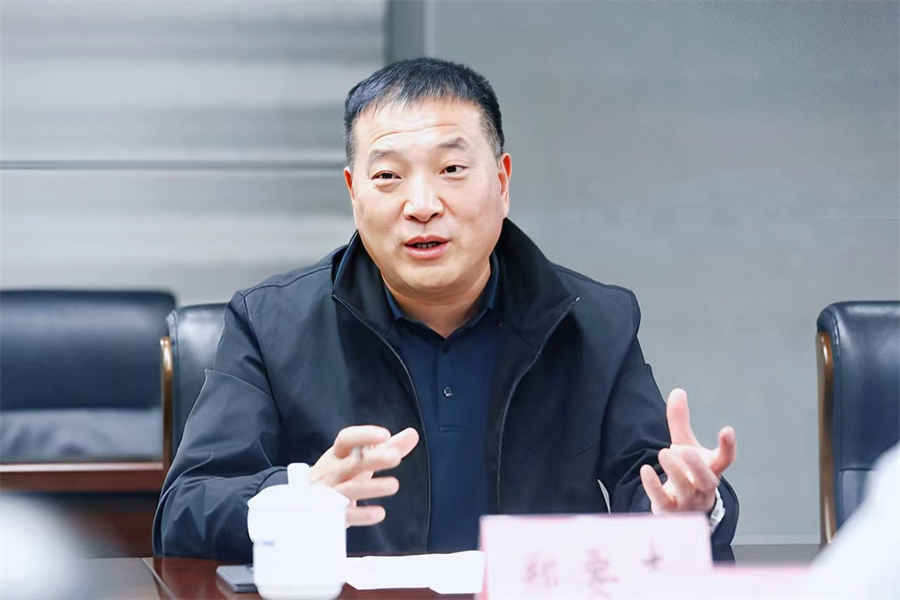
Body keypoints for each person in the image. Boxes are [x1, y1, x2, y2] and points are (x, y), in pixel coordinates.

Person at [153, 58, 739, 560]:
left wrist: (690, 509)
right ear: (354, 193)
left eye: (452, 169)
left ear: (502, 182)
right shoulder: (270, 324)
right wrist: (301, 495)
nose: (422, 204)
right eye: (388, 176)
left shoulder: (594, 321)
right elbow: (183, 510)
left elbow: (657, 484)